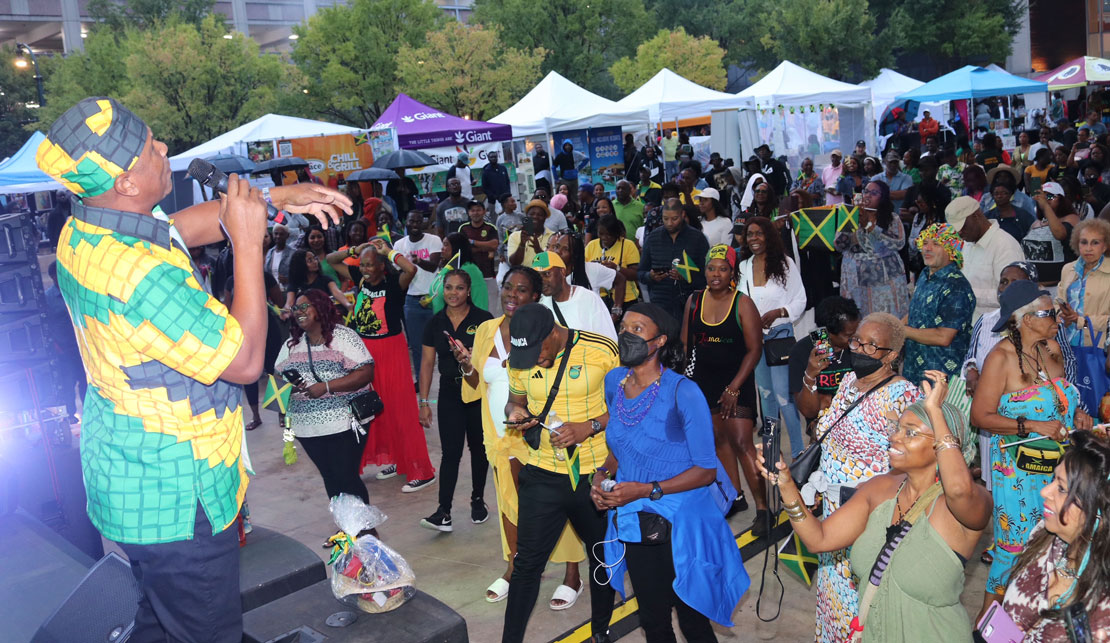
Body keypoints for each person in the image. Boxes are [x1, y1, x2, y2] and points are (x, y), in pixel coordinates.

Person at [39, 96, 352, 641]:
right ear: (127, 184)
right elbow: (247, 360)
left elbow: (180, 226)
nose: (164, 149)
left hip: (131, 478)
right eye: (148, 150)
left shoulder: (90, 229)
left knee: (160, 620)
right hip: (176, 495)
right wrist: (250, 243)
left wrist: (277, 197)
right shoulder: (138, 276)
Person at [759, 370, 990, 643]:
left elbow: (959, 489)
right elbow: (818, 540)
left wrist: (935, 412)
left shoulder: (970, 504)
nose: (895, 438)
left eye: (911, 433)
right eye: (897, 429)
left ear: (942, 443)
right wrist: (786, 485)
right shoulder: (881, 488)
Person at [593, 302, 749, 643]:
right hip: (636, 519)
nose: (626, 335)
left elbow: (707, 471)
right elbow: (621, 444)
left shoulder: (683, 391)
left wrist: (645, 489)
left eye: (637, 330)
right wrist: (602, 476)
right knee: (653, 620)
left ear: (659, 341)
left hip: (682, 524)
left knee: (692, 620)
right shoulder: (614, 382)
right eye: (624, 328)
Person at [457, 266, 587, 604]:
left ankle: (572, 574)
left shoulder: (548, 332)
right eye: (508, 287)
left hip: (538, 435)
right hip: (499, 435)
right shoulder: (486, 329)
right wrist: (467, 366)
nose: (512, 295)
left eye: (522, 289)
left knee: (556, 504)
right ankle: (516, 567)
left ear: (535, 296)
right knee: (509, 505)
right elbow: (476, 388)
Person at [974, 280, 1095, 621]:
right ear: (1025, 319)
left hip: (1056, 470)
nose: (1057, 318)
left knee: (1050, 546)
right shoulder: (1001, 358)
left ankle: (1028, 621)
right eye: (1049, 313)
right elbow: (980, 416)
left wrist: (1078, 415)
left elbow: (1060, 401)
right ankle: (987, 628)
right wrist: (1031, 426)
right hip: (1017, 473)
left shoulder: (1050, 348)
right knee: (1012, 552)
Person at [501, 304, 617, 643]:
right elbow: (513, 400)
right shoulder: (523, 356)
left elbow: (629, 407)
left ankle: (600, 632)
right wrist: (517, 411)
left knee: (601, 558)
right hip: (542, 474)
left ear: (553, 332)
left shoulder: (601, 350)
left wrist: (589, 427)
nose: (534, 359)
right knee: (526, 566)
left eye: (539, 351)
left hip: (594, 476)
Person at [806, 312, 922, 643]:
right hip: (833, 504)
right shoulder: (846, 381)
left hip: (868, 513)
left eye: (872, 346)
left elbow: (911, 460)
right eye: (857, 340)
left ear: (892, 355)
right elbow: (825, 431)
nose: (860, 349)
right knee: (833, 593)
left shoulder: (903, 395)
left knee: (861, 598)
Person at [332, 241, 437, 492]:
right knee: (377, 408)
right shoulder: (360, 278)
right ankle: (393, 459)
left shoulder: (393, 284)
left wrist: (388, 251)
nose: (365, 269)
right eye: (363, 265)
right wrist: (354, 251)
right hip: (365, 351)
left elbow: (410, 270)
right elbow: (332, 260)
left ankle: (421, 470)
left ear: (382, 266)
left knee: (401, 409)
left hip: (391, 351)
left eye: (370, 265)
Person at [681, 245, 766, 529]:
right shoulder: (694, 301)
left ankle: (764, 509)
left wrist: (733, 388)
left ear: (732, 272)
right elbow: (685, 345)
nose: (716, 274)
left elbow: (754, 350)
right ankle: (734, 496)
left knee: (742, 443)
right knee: (718, 442)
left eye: (723, 268)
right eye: (711, 268)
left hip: (737, 379)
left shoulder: (743, 303)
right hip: (704, 382)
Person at [1001, 431, 1110, 639]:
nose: (1045, 492)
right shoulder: (1043, 536)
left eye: (1061, 488)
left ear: (1097, 513)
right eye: (1053, 479)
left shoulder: (1104, 604)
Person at [274, 289, 374, 507]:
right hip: (306, 427)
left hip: (345, 423)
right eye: (295, 308)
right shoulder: (292, 344)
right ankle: (345, 526)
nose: (299, 312)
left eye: (304, 306)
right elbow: (278, 378)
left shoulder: (344, 337)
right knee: (331, 479)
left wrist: (326, 386)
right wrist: (282, 409)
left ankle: (365, 531)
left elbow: (366, 372)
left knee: (346, 477)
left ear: (320, 307)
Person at [417, 269, 493, 532]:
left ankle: (478, 500)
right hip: (449, 393)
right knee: (450, 453)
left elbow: (495, 360)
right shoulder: (435, 323)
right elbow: (426, 364)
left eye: (459, 288)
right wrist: (423, 402)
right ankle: (443, 511)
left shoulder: (484, 321)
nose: (453, 293)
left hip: (477, 393)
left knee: (479, 449)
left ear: (469, 290)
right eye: (448, 288)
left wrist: (474, 356)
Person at [737, 218, 807, 458]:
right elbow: (739, 300)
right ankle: (772, 451)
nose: (754, 239)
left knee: (782, 395)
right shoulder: (744, 265)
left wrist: (779, 312)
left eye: (759, 234)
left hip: (780, 335)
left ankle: (798, 451)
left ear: (768, 236)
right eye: (749, 234)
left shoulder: (784, 263)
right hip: (754, 340)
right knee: (766, 396)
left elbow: (800, 299)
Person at [903, 223, 976, 384]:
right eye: (925, 242)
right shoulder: (924, 274)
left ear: (951, 251)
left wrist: (903, 331)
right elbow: (918, 312)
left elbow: (944, 336)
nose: (927, 248)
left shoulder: (956, 286)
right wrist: (893, 326)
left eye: (936, 244)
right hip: (913, 369)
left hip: (941, 374)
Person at [836, 181, 910, 319]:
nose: (868, 196)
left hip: (884, 283)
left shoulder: (892, 218)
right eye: (866, 192)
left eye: (874, 193)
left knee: (883, 322)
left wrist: (869, 225)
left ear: (883, 198)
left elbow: (896, 244)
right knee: (857, 322)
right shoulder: (851, 216)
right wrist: (850, 220)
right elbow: (839, 245)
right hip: (855, 281)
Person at [945, 196, 1024, 319]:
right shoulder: (966, 244)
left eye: (962, 226)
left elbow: (1012, 293)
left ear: (976, 215)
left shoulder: (1005, 245)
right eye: (956, 229)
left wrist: (966, 292)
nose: (959, 233)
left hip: (993, 327)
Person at [789, 296, 860, 432]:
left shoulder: (861, 346)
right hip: (823, 428)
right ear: (829, 333)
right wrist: (810, 375)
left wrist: (830, 401)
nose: (855, 339)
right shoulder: (802, 352)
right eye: (849, 335)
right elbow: (809, 412)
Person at [638, 198, 710, 321]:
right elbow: (640, 273)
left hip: (690, 304)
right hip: (660, 304)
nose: (670, 223)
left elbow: (707, 275)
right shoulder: (652, 238)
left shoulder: (698, 238)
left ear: (682, 214)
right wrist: (650, 276)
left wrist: (687, 276)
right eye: (665, 219)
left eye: (674, 218)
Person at [393, 210, 443, 373]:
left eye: (418, 221)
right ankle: (422, 379)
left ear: (423, 223)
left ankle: (445, 376)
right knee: (416, 345)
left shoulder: (433, 240)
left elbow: (434, 265)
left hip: (434, 297)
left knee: (442, 342)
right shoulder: (399, 245)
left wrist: (418, 261)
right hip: (411, 300)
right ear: (405, 223)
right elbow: (397, 273)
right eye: (411, 221)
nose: (415, 225)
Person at [533, 250, 618, 342]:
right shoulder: (541, 304)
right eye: (538, 277)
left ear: (562, 272)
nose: (541, 281)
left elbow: (610, 341)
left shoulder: (589, 300)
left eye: (546, 274)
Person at [1057, 218, 1110, 350]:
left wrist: (1080, 321)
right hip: (1065, 343)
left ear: (1105, 246)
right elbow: (1057, 302)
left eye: (1095, 243)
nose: (1088, 248)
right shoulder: (1068, 269)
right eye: (1084, 242)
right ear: (1077, 244)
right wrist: (1062, 317)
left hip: (1097, 347)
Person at [546, 232, 625, 316]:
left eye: (565, 249)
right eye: (557, 247)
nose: (558, 252)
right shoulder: (548, 273)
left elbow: (620, 279)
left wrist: (616, 312)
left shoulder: (592, 270)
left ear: (575, 254)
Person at [1027, 181, 1082, 284]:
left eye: (1050, 196)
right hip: (1035, 284)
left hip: (1059, 284)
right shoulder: (1036, 223)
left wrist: (1046, 206)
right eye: (1041, 196)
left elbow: (1060, 234)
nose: (1045, 199)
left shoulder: (1071, 219)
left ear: (1061, 199)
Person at [427, 231, 488, 315]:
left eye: (446, 244)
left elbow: (480, 299)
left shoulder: (470, 269)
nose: (442, 248)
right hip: (441, 320)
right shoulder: (447, 267)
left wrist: (480, 323)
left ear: (456, 247)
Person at [585, 214, 640, 308]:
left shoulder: (628, 245)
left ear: (616, 233)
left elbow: (635, 274)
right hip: (599, 299)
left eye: (608, 234)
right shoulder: (591, 246)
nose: (604, 238)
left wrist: (616, 268)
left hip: (626, 299)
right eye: (601, 234)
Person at [456, 200, 500, 306]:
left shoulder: (490, 227)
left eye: (479, 210)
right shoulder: (463, 228)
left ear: (484, 211)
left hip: (488, 274)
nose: (476, 213)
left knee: (491, 309)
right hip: (468, 275)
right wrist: (485, 247)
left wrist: (472, 242)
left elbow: (494, 245)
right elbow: (462, 249)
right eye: (473, 210)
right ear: (468, 212)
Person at [283, 249, 352, 315]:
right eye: (310, 260)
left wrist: (348, 305)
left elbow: (336, 292)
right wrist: (286, 311)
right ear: (300, 265)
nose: (315, 261)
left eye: (315, 258)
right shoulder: (295, 284)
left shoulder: (326, 279)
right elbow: (289, 302)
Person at [507, 200, 555, 267]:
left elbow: (554, 264)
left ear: (545, 217)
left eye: (540, 215)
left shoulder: (553, 237)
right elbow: (514, 263)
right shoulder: (514, 236)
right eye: (532, 214)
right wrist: (522, 245)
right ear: (527, 216)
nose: (535, 217)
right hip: (523, 276)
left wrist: (538, 250)